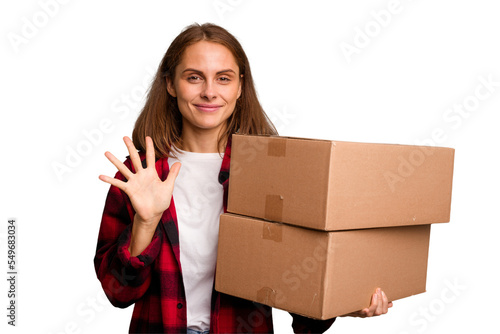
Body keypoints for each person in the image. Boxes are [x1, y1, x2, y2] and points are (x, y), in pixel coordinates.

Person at [94, 23, 392, 334]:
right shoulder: (139, 176)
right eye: (194, 77)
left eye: (223, 78)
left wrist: (343, 303)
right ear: (170, 84)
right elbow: (118, 293)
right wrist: (146, 222)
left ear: (239, 86)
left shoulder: (270, 174)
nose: (210, 91)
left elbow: (296, 281)